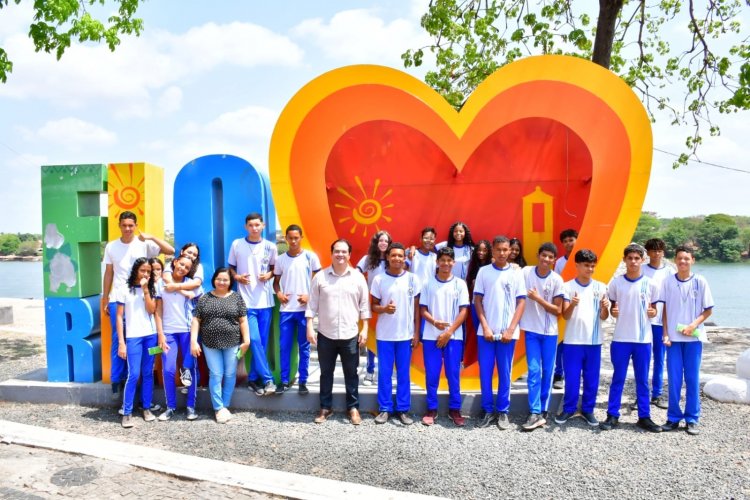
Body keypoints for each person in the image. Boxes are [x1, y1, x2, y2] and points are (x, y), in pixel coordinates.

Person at [102, 211, 173, 400]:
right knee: (119, 339)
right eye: (124, 225)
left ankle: (145, 380)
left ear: (135, 225)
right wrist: (105, 298)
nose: (127, 229)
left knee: (146, 338)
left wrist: (151, 237)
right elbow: (109, 273)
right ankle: (118, 381)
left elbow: (170, 251)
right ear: (119, 225)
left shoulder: (144, 245)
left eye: (130, 225)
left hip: (142, 298)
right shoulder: (111, 247)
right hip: (118, 296)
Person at [306, 239, 370, 425]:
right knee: (326, 372)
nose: (340, 255)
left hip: (350, 334)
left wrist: (364, 329)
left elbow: (364, 306)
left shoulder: (358, 278)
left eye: (344, 252)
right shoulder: (321, 277)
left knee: (352, 373)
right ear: (331, 253)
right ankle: (325, 407)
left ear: (349, 255)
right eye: (336, 251)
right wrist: (310, 326)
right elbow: (312, 305)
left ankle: (353, 408)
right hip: (326, 334)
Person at [600, 244, 661, 433]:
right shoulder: (616, 283)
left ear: (642, 260)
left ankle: (644, 416)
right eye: (630, 258)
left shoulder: (651, 284)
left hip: (643, 339)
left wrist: (653, 311)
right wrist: (613, 310)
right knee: (618, 377)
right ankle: (612, 415)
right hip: (621, 339)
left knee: (642, 380)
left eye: (637, 258)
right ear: (624, 260)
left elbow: (655, 309)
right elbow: (612, 309)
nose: (633, 261)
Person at [658, 245, 714, 435]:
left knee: (692, 379)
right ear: (675, 260)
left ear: (692, 261)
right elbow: (664, 310)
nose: (683, 262)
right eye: (680, 258)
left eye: (686, 259)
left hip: (694, 339)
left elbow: (708, 310)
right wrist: (665, 333)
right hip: (673, 339)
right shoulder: (667, 281)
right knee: (674, 379)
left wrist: (692, 326)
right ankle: (673, 418)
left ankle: (692, 418)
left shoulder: (700, 281)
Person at [473, 236, 526, 430]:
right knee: (485, 373)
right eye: (499, 250)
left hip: (508, 335)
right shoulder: (483, 272)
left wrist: (511, 329)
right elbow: (477, 300)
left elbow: (521, 302)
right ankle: (487, 410)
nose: (502, 253)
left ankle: (503, 411)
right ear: (492, 251)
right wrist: (485, 326)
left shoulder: (516, 274)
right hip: (485, 333)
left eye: (506, 250)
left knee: (505, 373)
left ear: (510, 251)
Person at [554, 249, 610, 427]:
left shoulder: (601, 287)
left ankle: (588, 409)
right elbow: (565, 315)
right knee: (572, 378)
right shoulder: (567, 286)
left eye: (593, 266)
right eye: (586, 265)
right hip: (572, 341)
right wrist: (573, 305)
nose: (590, 269)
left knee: (592, 379)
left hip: (594, 341)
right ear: (577, 265)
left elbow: (604, 317)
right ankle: (569, 408)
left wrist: (605, 308)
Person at [190, 268, 250, 424]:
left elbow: (243, 320)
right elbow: (196, 320)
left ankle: (225, 405)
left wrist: (247, 340)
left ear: (230, 282)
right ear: (214, 279)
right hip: (210, 343)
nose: (222, 282)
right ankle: (218, 408)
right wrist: (193, 340)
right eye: (219, 279)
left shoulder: (236, 298)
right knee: (216, 374)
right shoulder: (205, 298)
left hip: (232, 342)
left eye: (225, 279)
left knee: (230, 374)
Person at [370, 243, 421, 425]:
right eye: (394, 256)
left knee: (403, 374)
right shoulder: (379, 280)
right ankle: (384, 409)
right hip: (384, 336)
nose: (397, 259)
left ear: (404, 258)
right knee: (384, 373)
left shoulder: (413, 279)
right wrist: (384, 308)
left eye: (400, 256)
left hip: (405, 336)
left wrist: (416, 333)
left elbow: (416, 309)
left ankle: (402, 409)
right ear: (388, 257)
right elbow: (373, 306)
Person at [419, 246, 470, 426]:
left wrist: (448, 332)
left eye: (449, 260)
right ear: (437, 262)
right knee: (432, 374)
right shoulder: (427, 283)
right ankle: (431, 408)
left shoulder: (460, 284)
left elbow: (463, 311)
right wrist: (435, 323)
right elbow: (423, 309)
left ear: (453, 263)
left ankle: (455, 409)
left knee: (453, 374)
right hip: (431, 336)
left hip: (453, 338)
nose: (446, 264)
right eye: (443, 260)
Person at [228, 212, 276, 396]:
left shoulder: (270, 247)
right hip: (245, 302)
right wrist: (237, 277)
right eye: (251, 225)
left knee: (261, 343)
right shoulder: (237, 244)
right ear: (246, 227)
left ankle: (254, 380)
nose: (254, 228)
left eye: (257, 225)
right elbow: (230, 267)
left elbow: (274, 269)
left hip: (265, 301)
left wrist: (269, 275)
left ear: (262, 226)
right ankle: (268, 379)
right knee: (254, 340)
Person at [519, 242, 564, 431]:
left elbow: (558, 310)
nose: (546, 259)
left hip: (549, 333)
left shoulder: (557, 280)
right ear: (538, 255)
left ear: (554, 261)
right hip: (531, 331)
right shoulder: (526, 272)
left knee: (548, 372)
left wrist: (537, 299)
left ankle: (543, 410)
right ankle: (534, 410)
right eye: (544, 255)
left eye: (550, 257)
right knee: (534, 371)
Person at [273, 224, 321, 395]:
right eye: (290, 238)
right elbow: (276, 282)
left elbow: (319, 281)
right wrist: (278, 293)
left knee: (304, 346)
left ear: (301, 238)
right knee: (284, 346)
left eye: (296, 237)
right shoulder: (280, 259)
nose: (293, 241)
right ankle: (284, 381)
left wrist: (309, 296)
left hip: (305, 310)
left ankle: (303, 381)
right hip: (286, 310)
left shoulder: (310, 257)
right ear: (285, 238)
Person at [155, 254, 201, 421]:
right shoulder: (160, 283)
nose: (182, 268)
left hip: (188, 332)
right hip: (168, 333)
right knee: (168, 370)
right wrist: (161, 333)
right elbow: (158, 310)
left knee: (189, 369)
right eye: (181, 264)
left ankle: (190, 406)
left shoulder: (191, 285)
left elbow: (197, 312)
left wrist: (195, 339)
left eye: (187, 267)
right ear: (174, 263)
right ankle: (170, 406)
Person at [116, 258, 158, 428]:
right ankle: (127, 412)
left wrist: (146, 289)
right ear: (135, 270)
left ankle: (146, 408)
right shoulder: (124, 289)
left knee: (148, 373)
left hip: (152, 337)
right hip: (133, 337)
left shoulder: (151, 288)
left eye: (148, 271)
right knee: (134, 374)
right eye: (143, 271)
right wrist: (121, 342)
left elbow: (152, 310)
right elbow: (119, 317)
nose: (146, 274)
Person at [162, 242, 204, 387]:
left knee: (192, 351)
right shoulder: (172, 265)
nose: (191, 256)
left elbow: (196, 285)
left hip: (193, 317)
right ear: (181, 252)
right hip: (171, 325)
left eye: (194, 254)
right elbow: (167, 280)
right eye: (189, 252)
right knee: (181, 357)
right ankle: (190, 383)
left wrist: (178, 288)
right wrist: (182, 291)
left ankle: (193, 383)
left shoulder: (198, 267)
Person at [642, 238, 675, 409]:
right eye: (653, 250)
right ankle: (641, 395)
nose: (656, 254)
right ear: (647, 253)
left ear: (663, 252)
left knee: (659, 359)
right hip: (644, 321)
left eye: (659, 250)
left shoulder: (669, 272)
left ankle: (657, 394)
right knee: (644, 359)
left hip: (661, 321)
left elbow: (672, 298)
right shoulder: (641, 269)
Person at [356, 230, 391, 386]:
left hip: (389, 304)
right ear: (376, 243)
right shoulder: (368, 259)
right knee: (371, 338)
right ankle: (370, 370)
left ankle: (388, 371)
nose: (383, 243)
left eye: (386, 241)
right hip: (372, 303)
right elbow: (355, 274)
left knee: (388, 337)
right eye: (381, 240)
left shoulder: (393, 258)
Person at [552, 228, 578, 389]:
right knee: (560, 339)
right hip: (565, 303)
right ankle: (558, 374)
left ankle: (574, 373)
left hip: (579, 302)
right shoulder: (560, 262)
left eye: (571, 240)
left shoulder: (583, 258)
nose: (569, 243)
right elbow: (558, 284)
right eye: (566, 241)